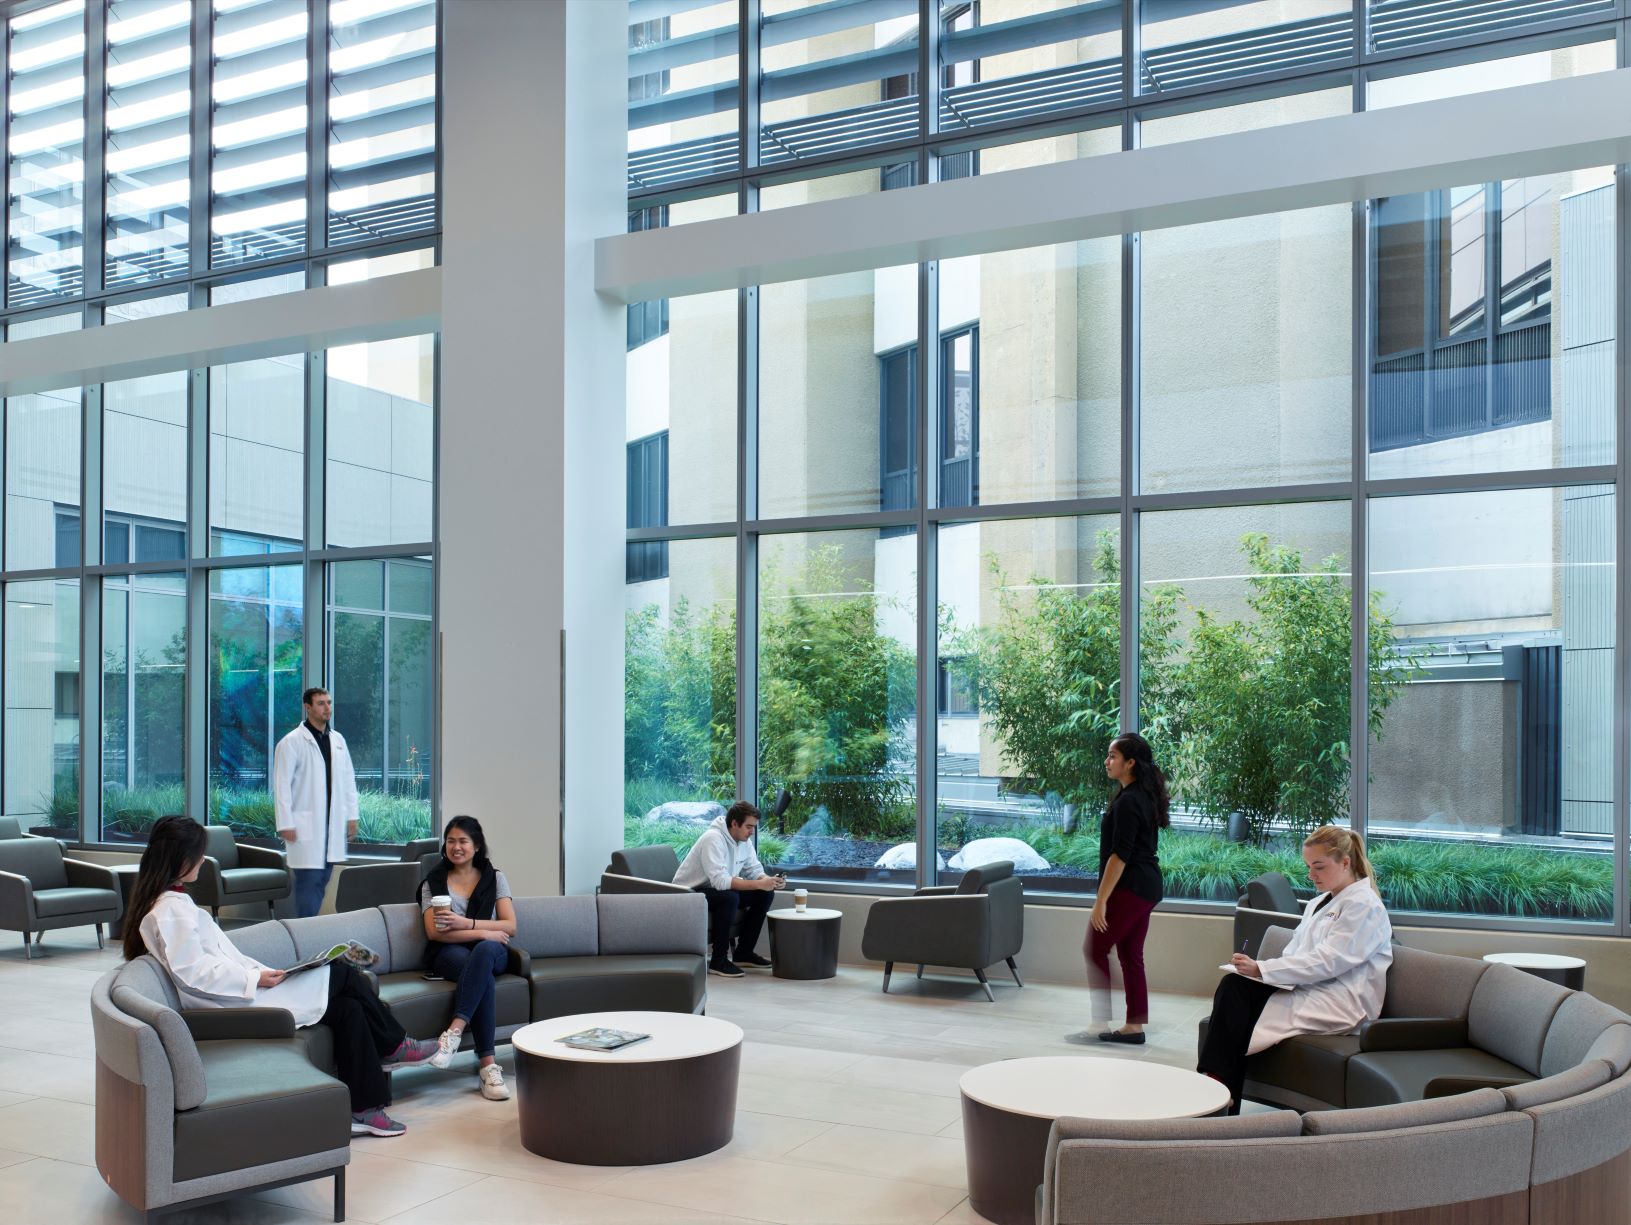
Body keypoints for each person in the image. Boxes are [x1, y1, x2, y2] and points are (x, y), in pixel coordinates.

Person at [124, 815, 438, 1137]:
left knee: (350, 1010)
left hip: (238, 993)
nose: (203, 861)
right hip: (231, 1008)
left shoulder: (174, 902)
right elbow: (193, 972)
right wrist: (253, 980)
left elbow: (218, 958)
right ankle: (396, 1045)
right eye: (200, 854)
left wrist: (260, 972)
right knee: (343, 973)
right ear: (182, 857)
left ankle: (364, 1109)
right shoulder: (170, 910)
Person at [1198, 824, 1392, 1114]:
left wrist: (1264, 970)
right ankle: (1217, 1089)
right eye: (1308, 866)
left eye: (1319, 867)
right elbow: (1296, 952)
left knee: (1236, 997)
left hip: (1342, 1001)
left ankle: (1217, 1093)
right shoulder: (1318, 902)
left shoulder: (1364, 905)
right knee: (1233, 986)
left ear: (1346, 862)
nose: (1311, 875)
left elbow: (1330, 960)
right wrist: (1260, 971)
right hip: (1312, 987)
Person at [418, 815, 517, 1101]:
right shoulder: (433, 882)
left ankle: (454, 1031)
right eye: (451, 841)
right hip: (449, 953)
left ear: (476, 846)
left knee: (485, 955)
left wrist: (469, 925)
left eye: (463, 841)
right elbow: (435, 934)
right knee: (481, 971)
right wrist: (485, 932)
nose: (456, 847)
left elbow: (510, 926)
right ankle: (488, 1066)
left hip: (491, 950)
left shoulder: (495, 877)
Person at [1082, 733, 1168, 1045]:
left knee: (1095, 948)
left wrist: (1100, 901)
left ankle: (1099, 1022)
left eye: (1113, 756)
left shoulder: (1131, 801)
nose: (1107, 761)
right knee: (1131, 954)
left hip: (1132, 885)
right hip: (1146, 885)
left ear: (1130, 762)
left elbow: (1120, 856)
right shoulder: (1135, 795)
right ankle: (1134, 1026)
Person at [672, 800, 785, 978]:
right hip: (687, 894)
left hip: (713, 890)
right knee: (729, 897)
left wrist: (768, 881)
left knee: (765, 894)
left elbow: (754, 870)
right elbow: (720, 881)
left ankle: (743, 953)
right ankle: (718, 960)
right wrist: (758, 884)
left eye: (754, 827)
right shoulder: (713, 838)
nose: (752, 831)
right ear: (734, 823)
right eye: (749, 826)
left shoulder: (743, 841)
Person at [274, 686, 360, 918]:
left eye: (329, 703)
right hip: (304, 826)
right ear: (308, 707)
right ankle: (304, 930)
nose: (327, 708)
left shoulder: (338, 740)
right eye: (321, 703)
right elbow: (281, 786)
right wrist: (285, 823)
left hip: (331, 825)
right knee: (309, 881)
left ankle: (308, 927)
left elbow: (348, 780)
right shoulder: (291, 742)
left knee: (322, 880)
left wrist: (352, 816)